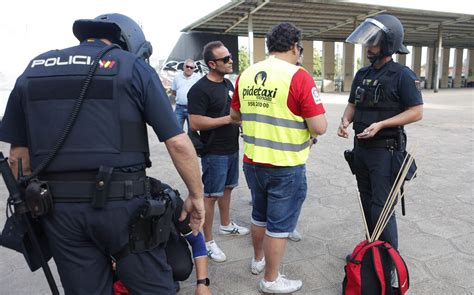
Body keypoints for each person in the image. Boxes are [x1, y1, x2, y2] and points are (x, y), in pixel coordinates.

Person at [0, 13, 204, 295]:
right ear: (129, 41)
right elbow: (178, 143)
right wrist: (196, 195)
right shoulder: (132, 67)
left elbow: (17, 157)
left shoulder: (35, 67)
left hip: (59, 211)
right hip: (125, 209)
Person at [230, 22, 327, 294]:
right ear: (296, 46)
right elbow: (318, 126)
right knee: (280, 225)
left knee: (259, 215)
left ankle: (257, 260)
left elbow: (235, 115)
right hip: (285, 164)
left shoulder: (247, 74)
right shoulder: (298, 76)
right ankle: (271, 280)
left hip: (252, 161)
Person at [337, 14, 423, 260]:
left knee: (382, 208)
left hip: (386, 152)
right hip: (361, 150)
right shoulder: (362, 74)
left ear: (388, 43)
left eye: (373, 42)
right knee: (366, 203)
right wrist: (345, 121)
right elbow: (352, 104)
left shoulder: (402, 75)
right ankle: (371, 250)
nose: (368, 47)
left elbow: (416, 112)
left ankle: (390, 261)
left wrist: (382, 124)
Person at [188, 41, 249, 263]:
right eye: (225, 59)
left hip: (231, 147)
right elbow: (194, 122)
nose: (230, 61)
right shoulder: (199, 89)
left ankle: (225, 225)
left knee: (227, 188)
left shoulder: (228, 84)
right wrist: (229, 119)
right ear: (212, 63)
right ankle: (207, 241)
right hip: (214, 151)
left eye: (230, 57)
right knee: (211, 196)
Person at [171, 58, 201, 131]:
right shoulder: (177, 78)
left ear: (194, 69)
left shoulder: (197, 78)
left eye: (191, 67)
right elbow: (174, 92)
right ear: (183, 67)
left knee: (192, 133)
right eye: (187, 66)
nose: (189, 68)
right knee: (177, 131)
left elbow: (200, 93)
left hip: (192, 109)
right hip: (179, 109)